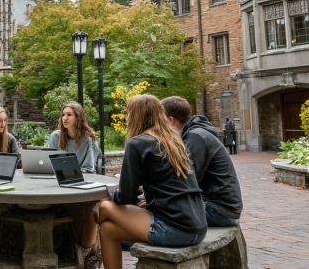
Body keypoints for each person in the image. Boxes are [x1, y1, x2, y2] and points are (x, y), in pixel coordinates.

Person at [91, 94, 206, 269]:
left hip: (174, 228)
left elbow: (125, 196)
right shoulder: (173, 141)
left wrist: (112, 194)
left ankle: (86, 241)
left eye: (129, 113)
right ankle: (89, 237)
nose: (127, 118)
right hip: (197, 225)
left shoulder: (137, 144)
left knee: (104, 206)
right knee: (107, 230)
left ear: (136, 116)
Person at [161, 96, 243, 227]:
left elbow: (186, 181)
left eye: (160, 122)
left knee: (155, 212)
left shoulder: (195, 137)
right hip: (219, 207)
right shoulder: (196, 133)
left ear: (170, 120)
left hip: (218, 211)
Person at [47, 102, 100, 173]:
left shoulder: (89, 138)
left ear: (78, 118)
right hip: (59, 176)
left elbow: (89, 168)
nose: (65, 118)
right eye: (63, 115)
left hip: (83, 177)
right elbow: (49, 163)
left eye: (69, 115)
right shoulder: (55, 136)